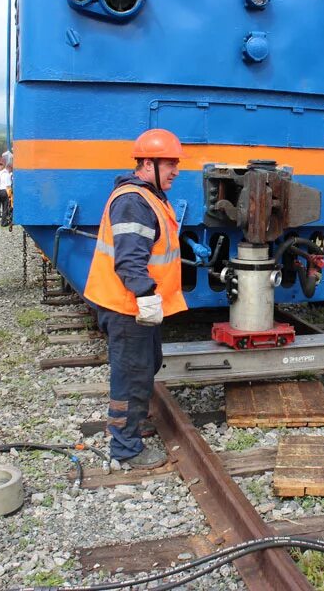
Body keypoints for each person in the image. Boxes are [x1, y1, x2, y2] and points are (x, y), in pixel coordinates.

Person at [82, 129, 188, 470]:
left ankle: (133, 425)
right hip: (126, 305)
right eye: (169, 163)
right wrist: (145, 295)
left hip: (135, 305)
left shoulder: (150, 197)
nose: (175, 170)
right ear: (147, 164)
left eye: (175, 163)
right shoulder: (134, 201)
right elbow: (129, 260)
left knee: (146, 365)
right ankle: (126, 448)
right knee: (131, 374)